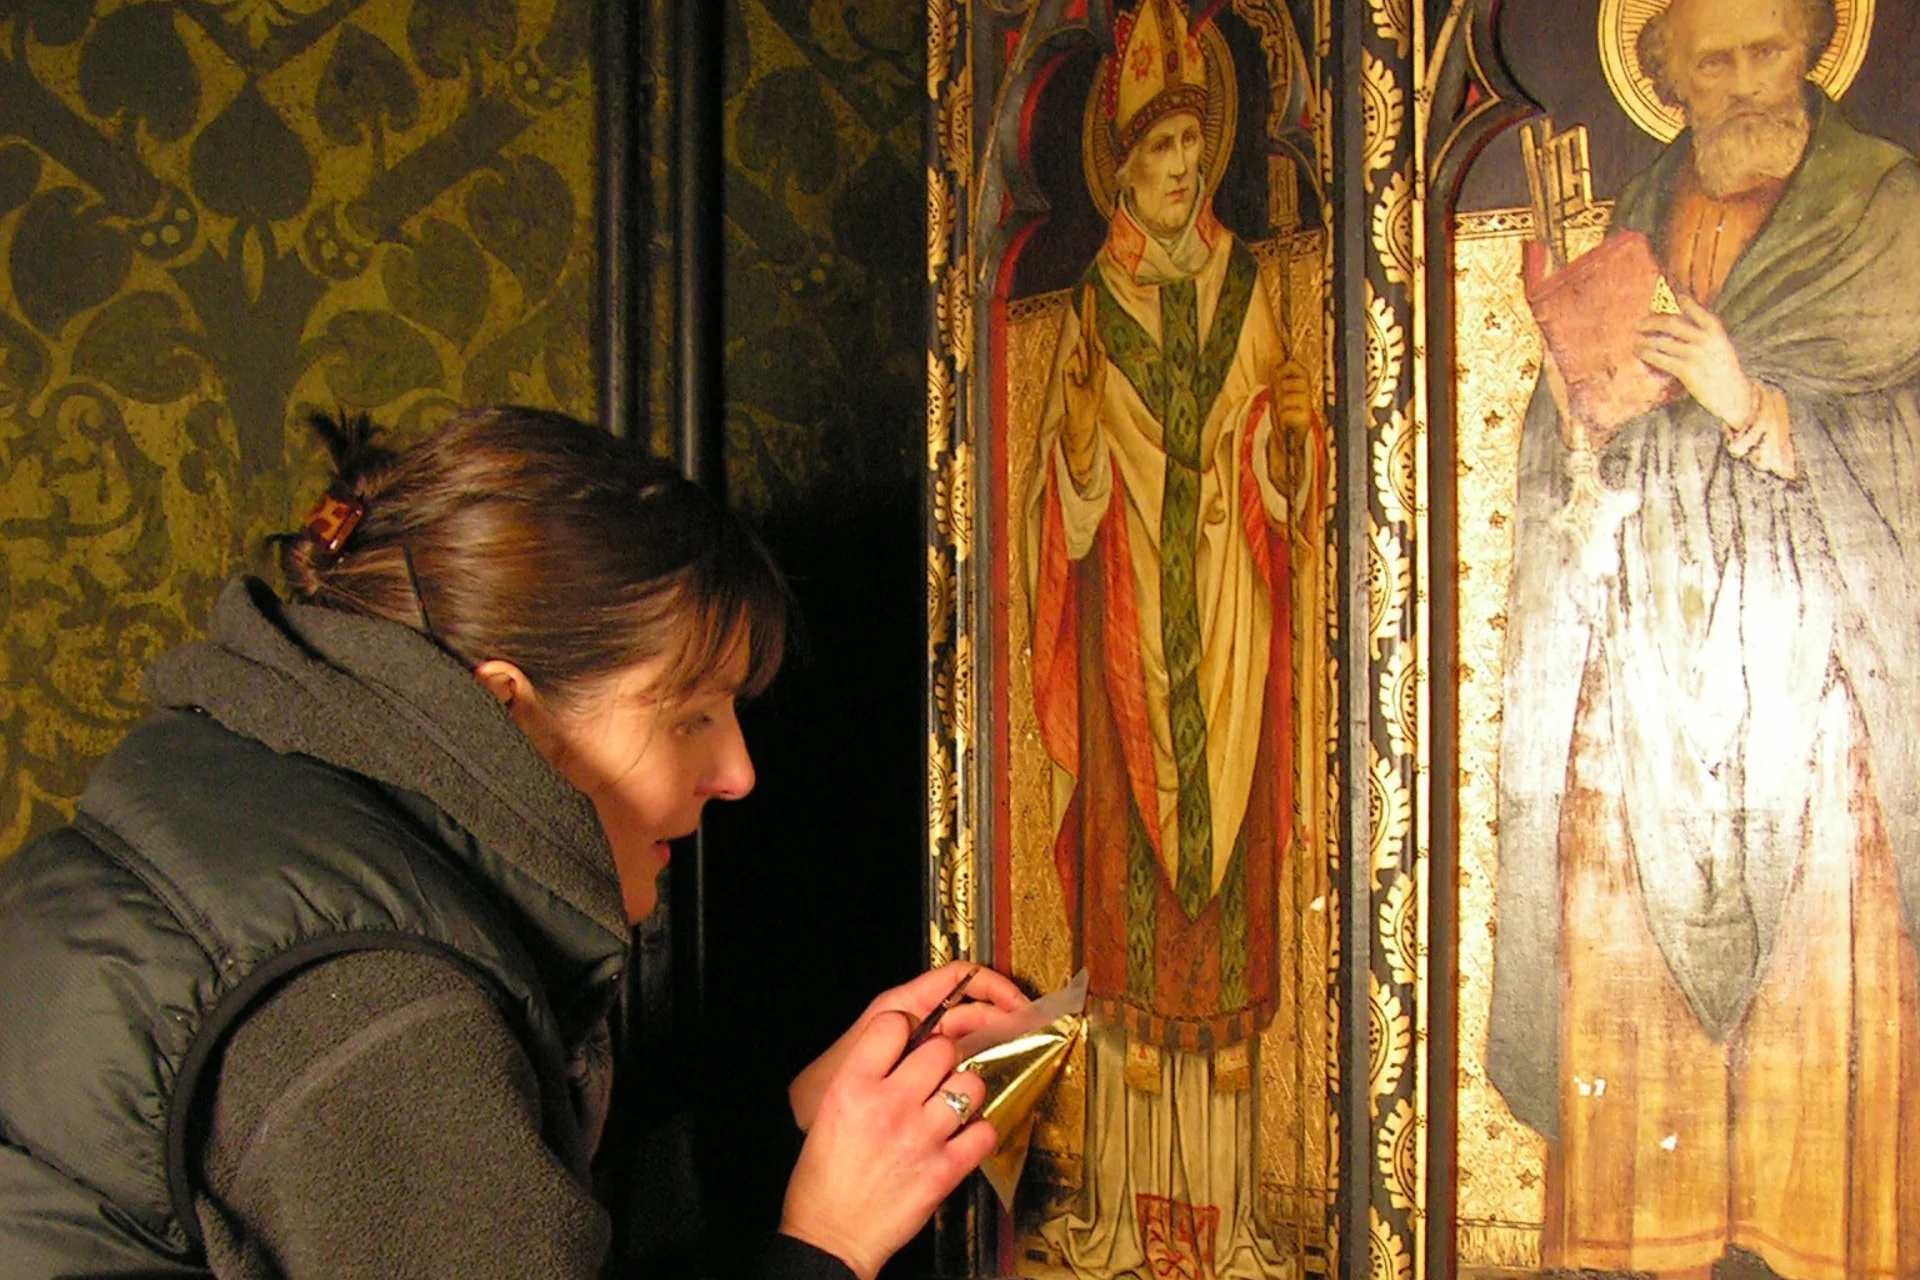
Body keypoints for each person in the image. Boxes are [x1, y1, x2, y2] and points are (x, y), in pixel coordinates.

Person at [0, 406, 1027, 1279]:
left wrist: (783, 1133)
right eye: (690, 715)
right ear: (513, 714)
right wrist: (824, 1243)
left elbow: (480, 1217)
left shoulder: (254, 798)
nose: (740, 772)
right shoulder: (374, 1002)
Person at [1490, 0, 1920, 1271]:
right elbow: (1546, 467)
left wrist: (1760, 407)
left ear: (1814, 52)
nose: (1746, 87)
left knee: (1823, 1004)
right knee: (1635, 1009)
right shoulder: (1624, 229)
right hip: (1642, 696)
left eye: (1770, 51)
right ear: (1664, 74)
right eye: (1714, 60)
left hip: (1820, 690)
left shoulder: (1890, 215)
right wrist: (1574, 434)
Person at [1022, 3, 1319, 1275]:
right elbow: (1062, 493)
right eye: (1158, 159)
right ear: (1119, 171)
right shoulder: (1092, 307)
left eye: (1196, 154)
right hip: (1128, 645)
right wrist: (1083, 438)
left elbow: (1276, 466)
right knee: (1133, 941)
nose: (1182, 174)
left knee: (1228, 934)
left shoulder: (1252, 288)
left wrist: (1289, 440)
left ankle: (1237, 1221)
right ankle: (1123, 1221)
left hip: (1235, 640)